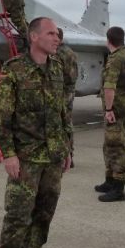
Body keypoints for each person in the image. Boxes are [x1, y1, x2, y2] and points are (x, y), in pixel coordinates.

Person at [0, 17, 72, 248]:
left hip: (53, 156)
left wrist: (67, 147)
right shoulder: (15, 69)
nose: (56, 38)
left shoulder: (57, 68)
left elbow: (62, 112)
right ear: (34, 37)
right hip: (26, 158)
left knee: (44, 213)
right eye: (51, 33)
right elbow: (0, 117)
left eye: (57, 34)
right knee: (18, 214)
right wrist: (9, 154)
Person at [95, 26, 125, 202]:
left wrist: (109, 109)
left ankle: (118, 189)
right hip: (124, 107)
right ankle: (110, 181)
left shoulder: (115, 59)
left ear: (108, 40)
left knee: (115, 148)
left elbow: (109, 87)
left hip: (116, 110)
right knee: (109, 145)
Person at [56, 28, 78, 167]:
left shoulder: (57, 53)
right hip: (70, 91)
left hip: (61, 91)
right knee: (68, 123)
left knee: (59, 123)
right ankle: (70, 155)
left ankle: (64, 156)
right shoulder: (70, 52)